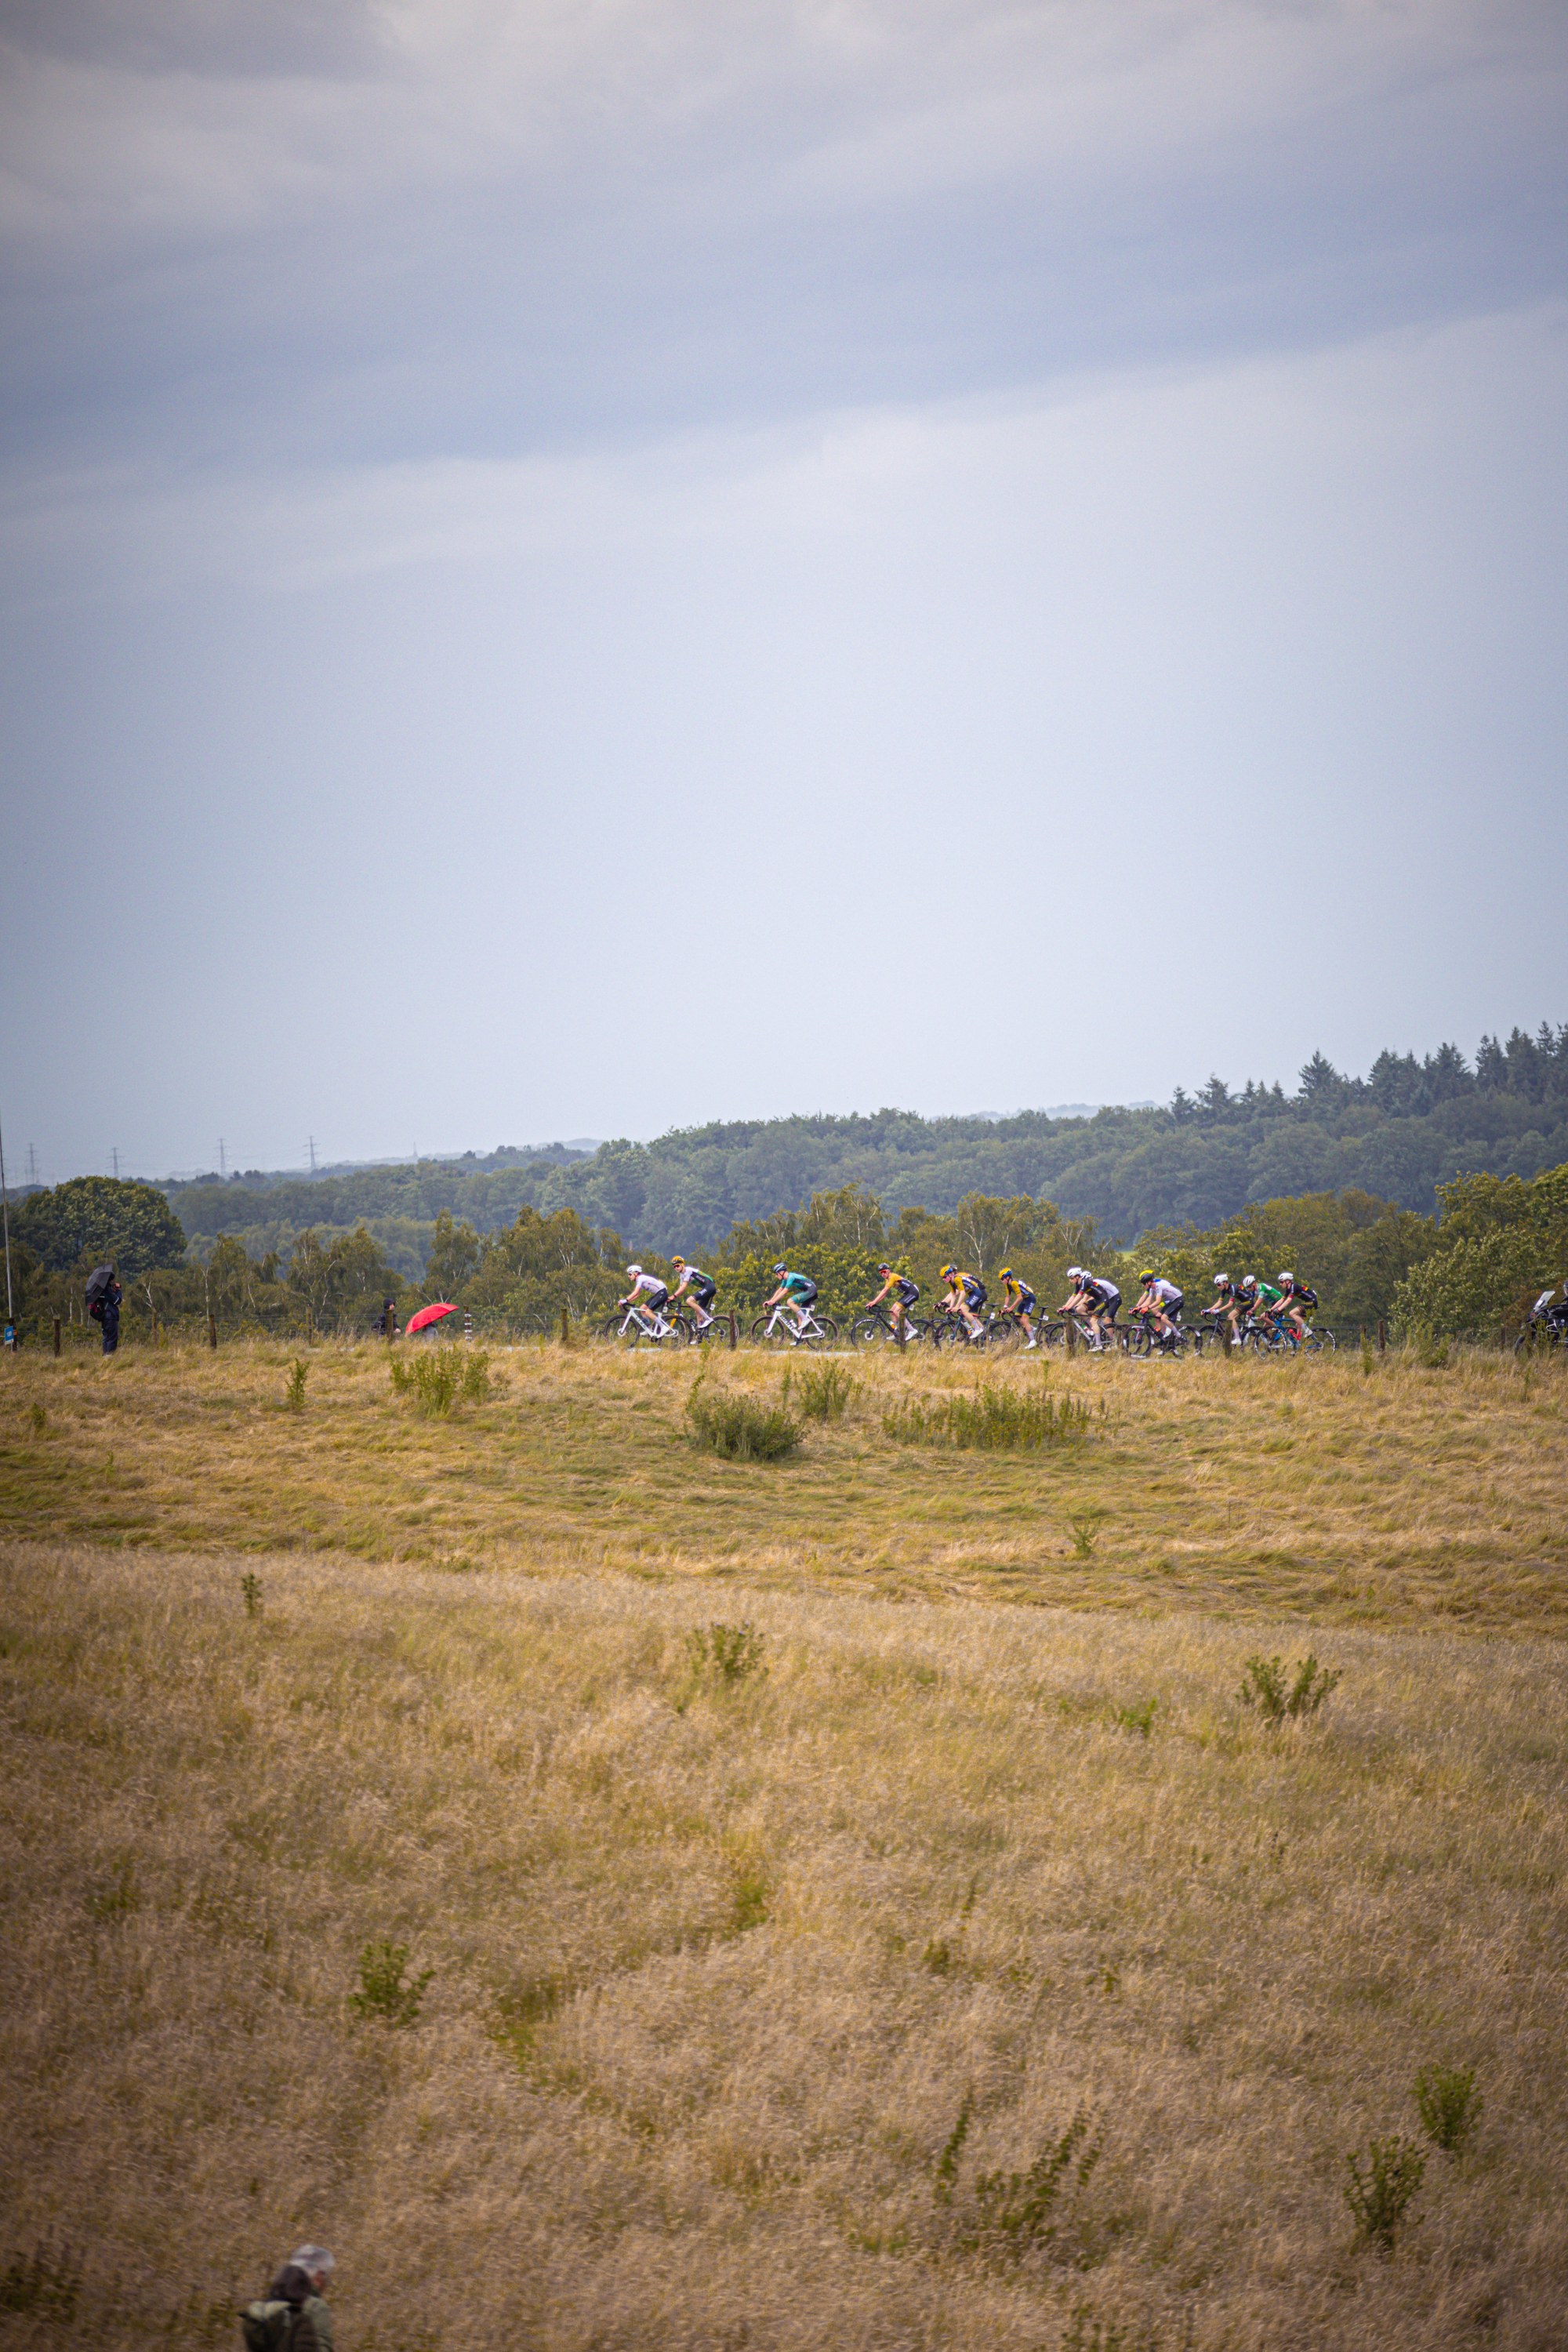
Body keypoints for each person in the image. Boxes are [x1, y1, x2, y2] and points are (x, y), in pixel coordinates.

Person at [1063, 1265, 1120, 1349]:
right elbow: (1073, 1296)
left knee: (1094, 1320)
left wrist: (1070, 1306)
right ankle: (1093, 1328)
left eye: (1071, 1278)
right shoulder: (1078, 1284)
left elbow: (1079, 1296)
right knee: (1079, 1309)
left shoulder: (1085, 1282)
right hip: (1096, 1300)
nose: (1070, 1281)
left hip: (1103, 1300)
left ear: (1078, 1277)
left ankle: (1098, 1345)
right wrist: (1065, 1306)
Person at [863, 1261, 920, 1341]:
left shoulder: (892, 1276)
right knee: (892, 1311)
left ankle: (912, 1330)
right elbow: (884, 1295)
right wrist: (874, 1303)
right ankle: (897, 1331)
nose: (883, 1274)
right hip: (907, 1294)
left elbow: (884, 1291)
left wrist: (873, 1302)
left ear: (888, 1271)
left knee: (896, 1311)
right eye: (881, 1273)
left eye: (884, 1272)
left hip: (913, 1293)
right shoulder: (888, 1280)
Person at [763, 1261, 818, 1337]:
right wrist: (771, 1301)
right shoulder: (785, 1280)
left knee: (790, 1302)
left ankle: (806, 1320)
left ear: (781, 1272)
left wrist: (773, 1301)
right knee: (800, 1315)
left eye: (777, 1274)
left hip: (811, 1290)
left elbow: (785, 1292)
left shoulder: (790, 1277)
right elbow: (780, 1290)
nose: (776, 1276)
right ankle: (800, 1339)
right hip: (809, 1291)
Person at [1133, 1268, 1183, 1349]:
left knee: (1163, 1317)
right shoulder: (1152, 1288)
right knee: (1157, 1316)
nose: (1143, 1285)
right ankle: (1164, 1338)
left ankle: (1180, 1337)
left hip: (1178, 1300)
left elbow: (1158, 1301)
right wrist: (1138, 1308)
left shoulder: (1158, 1286)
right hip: (1171, 1301)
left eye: (1143, 1283)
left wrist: (1147, 1308)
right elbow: (1148, 1301)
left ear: (1149, 1282)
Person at [669, 1255, 719, 1334]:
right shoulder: (682, 1275)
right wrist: (672, 1297)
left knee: (689, 1301)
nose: (676, 1268)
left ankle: (708, 1318)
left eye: (677, 1266)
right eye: (674, 1267)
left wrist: (673, 1297)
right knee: (698, 1312)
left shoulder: (688, 1271)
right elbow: (680, 1288)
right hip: (706, 1288)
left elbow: (684, 1288)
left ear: (682, 1265)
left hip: (709, 1286)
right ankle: (700, 1334)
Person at [619, 1263, 673, 1337]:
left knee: (648, 1312)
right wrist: (627, 1301)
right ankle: (648, 1329)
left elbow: (636, 1292)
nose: (629, 1276)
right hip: (659, 1293)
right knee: (642, 1308)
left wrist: (625, 1300)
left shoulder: (640, 1278)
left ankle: (663, 1327)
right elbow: (637, 1295)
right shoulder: (640, 1279)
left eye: (630, 1274)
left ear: (636, 1273)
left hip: (662, 1293)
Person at [938, 1262, 987, 1340]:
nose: (944, 1279)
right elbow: (954, 1295)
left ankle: (978, 1329)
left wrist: (957, 1306)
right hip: (972, 1294)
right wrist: (951, 1307)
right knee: (970, 1314)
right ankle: (984, 1332)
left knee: (963, 1308)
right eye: (942, 1278)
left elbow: (962, 1293)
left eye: (945, 1277)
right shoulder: (951, 1282)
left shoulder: (957, 1279)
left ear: (950, 1275)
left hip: (976, 1293)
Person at [997, 1265, 1038, 1347]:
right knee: (1017, 1316)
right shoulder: (1007, 1285)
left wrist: (1011, 1308)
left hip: (1030, 1299)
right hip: (1025, 1300)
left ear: (1008, 1277)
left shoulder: (1014, 1283)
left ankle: (1033, 1341)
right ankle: (1032, 1329)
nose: (1002, 1281)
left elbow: (1019, 1298)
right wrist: (1005, 1308)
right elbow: (1008, 1297)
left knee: (1025, 1320)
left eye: (1002, 1279)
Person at [1276, 1271, 1318, 1346]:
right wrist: (1271, 1310)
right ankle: (1298, 1345)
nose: (1280, 1284)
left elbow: (1288, 1301)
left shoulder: (1293, 1286)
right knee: (1298, 1324)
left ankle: (1307, 1331)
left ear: (1287, 1281)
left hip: (1312, 1301)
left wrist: (1278, 1310)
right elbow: (1282, 1300)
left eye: (1282, 1282)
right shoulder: (1288, 1289)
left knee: (1292, 1313)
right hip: (1309, 1301)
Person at [100, 1269, 122, 1356]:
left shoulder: (101, 1288)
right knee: (112, 1339)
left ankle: (105, 1356)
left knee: (106, 1337)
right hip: (110, 1316)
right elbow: (117, 1301)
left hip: (104, 1316)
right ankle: (109, 1358)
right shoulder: (107, 1289)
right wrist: (118, 1290)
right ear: (111, 1279)